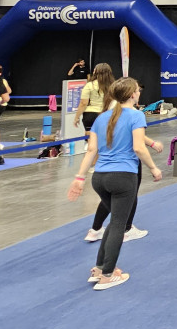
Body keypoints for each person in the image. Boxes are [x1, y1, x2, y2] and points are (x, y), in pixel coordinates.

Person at [67, 78, 162, 290]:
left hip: (99, 178)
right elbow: (138, 147)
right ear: (132, 95)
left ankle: (100, 268)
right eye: (137, 90)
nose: (139, 93)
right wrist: (154, 168)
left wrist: (80, 177)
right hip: (123, 177)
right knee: (119, 224)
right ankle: (107, 275)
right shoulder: (136, 116)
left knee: (115, 222)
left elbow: (91, 151)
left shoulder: (102, 118)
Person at [74, 63, 114, 141]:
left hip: (91, 115)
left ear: (96, 72)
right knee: (105, 139)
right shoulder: (113, 86)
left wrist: (77, 117)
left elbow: (83, 103)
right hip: (107, 114)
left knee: (91, 140)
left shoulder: (89, 85)